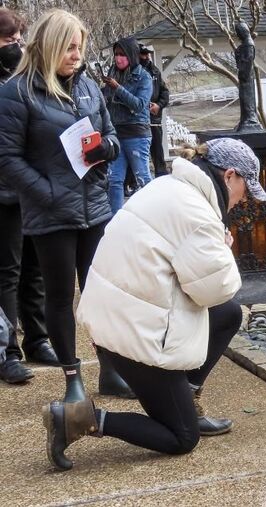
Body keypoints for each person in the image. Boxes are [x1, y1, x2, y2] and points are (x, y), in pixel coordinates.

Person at [42, 138, 266, 471]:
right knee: (182, 437)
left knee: (228, 315)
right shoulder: (198, 215)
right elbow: (215, 289)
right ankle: (80, 419)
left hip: (117, 317)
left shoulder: (169, 186)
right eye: (247, 189)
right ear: (230, 176)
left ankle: (186, 398)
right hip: (133, 336)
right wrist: (224, 247)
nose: (245, 199)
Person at [0, 9, 134, 400]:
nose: (76, 55)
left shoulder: (89, 88)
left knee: (99, 294)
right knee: (59, 297)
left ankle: (110, 372)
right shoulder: (16, 92)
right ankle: (72, 380)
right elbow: (7, 158)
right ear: (49, 45)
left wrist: (107, 148)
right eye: (69, 47)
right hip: (52, 212)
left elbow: (110, 133)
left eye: (80, 47)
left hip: (93, 205)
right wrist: (46, 192)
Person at [0, 7, 59, 385]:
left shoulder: (25, 79)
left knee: (35, 269)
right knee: (7, 271)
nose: (17, 46)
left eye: (19, 39)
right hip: (5, 190)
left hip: (32, 188)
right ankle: (8, 350)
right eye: (9, 39)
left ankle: (38, 338)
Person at [103, 36, 153, 213]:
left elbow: (139, 105)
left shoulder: (144, 77)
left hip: (137, 134)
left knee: (142, 177)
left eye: (122, 54)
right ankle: (114, 222)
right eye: (116, 54)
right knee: (114, 179)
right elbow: (106, 103)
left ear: (132, 55)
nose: (118, 58)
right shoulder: (112, 74)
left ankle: (154, 215)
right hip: (116, 134)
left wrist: (118, 88)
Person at [139, 45, 170, 177]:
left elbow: (165, 92)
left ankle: (161, 174)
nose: (147, 57)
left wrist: (158, 105)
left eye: (149, 54)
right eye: (144, 54)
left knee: (157, 148)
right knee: (139, 151)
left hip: (155, 118)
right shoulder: (132, 71)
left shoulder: (155, 71)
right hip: (138, 119)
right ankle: (134, 180)